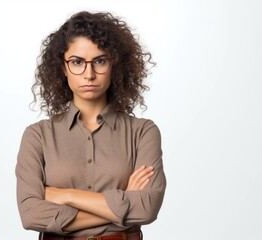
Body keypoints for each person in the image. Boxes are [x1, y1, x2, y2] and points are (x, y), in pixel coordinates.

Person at [15, 11, 166, 240]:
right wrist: (123, 202)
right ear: (63, 67)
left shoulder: (142, 132)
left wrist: (65, 195)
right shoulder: (38, 136)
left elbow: (147, 207)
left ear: (115, 65)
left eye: (100, 61)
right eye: (77, 62)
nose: (89, 74)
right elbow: (30, 215)